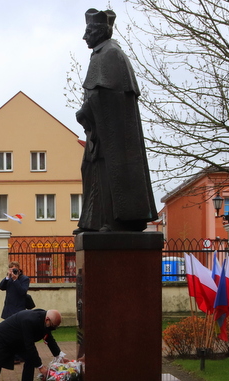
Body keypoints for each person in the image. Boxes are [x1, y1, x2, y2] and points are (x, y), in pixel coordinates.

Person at [74, 8, 157, 234]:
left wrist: (85, 112)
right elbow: (97, 93)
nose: (85, 37)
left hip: (112, 134)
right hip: (100, 130)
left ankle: (114, 221)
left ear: (100, 31)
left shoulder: (110, 54)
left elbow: (104, 95)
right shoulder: (103, 53)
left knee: (110, 173)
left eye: (89, 31)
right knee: (91, 169)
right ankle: (94, 221)